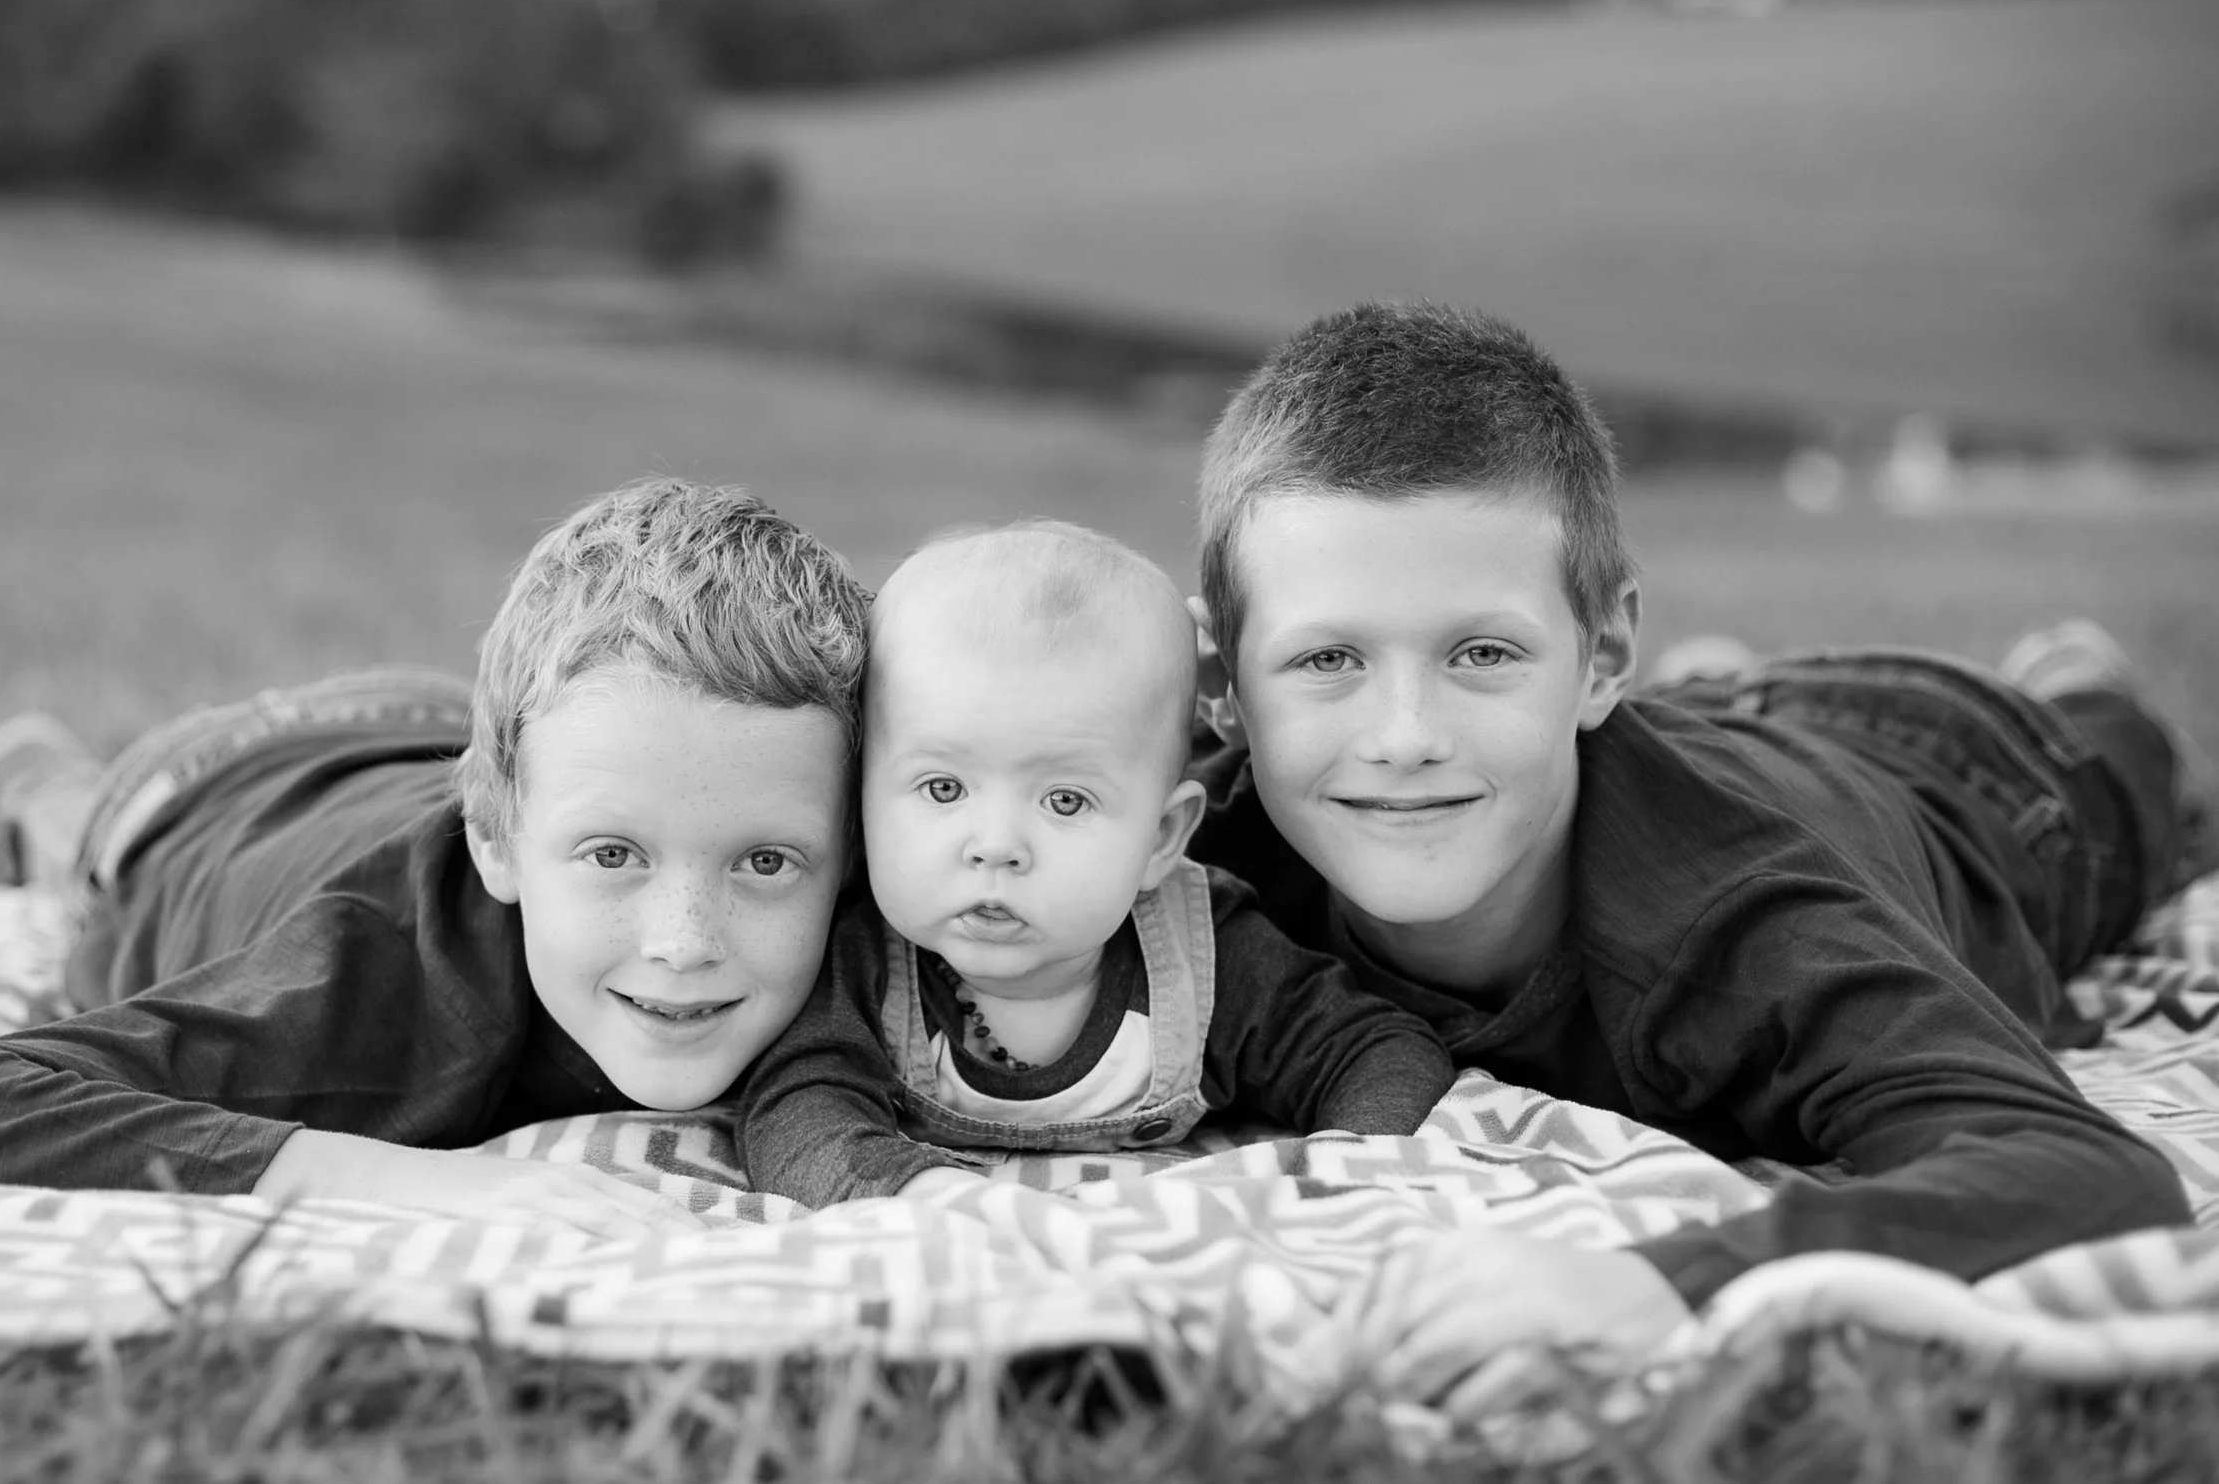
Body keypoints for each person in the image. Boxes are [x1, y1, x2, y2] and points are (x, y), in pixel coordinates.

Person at [1182, 299, 2205, 1407]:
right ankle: (1699, 680)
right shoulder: (1186, 841)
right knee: (1684, 729)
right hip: (1685, 733)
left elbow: (2091, 1175)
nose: (1403, 736)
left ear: (1603, 652)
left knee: (2126, 771)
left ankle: (2076, 679)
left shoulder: (1753, 919)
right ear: (1222, 685)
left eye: (1480, 652)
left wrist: (1665, 1284)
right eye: (1327, 659)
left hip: (1974, 771)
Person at [0, 478, 871, 1238]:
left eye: (765, 863)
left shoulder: (820, 878)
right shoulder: (353, 980)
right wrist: (397, 1178)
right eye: (614, 854)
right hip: (199, 787)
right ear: (496, 842)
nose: (684, 941)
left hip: (442, 721)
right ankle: (32, 772)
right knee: (75, 840)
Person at [738, 521, 1454, 1208]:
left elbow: (1376, 1052)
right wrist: (921, 1196)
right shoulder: (862, 960)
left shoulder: (1208, 958)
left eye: (1066, 800)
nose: (996, 845)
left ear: (1161, 838)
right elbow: (796, 1106)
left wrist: (1336, 1183)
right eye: (943, 788)